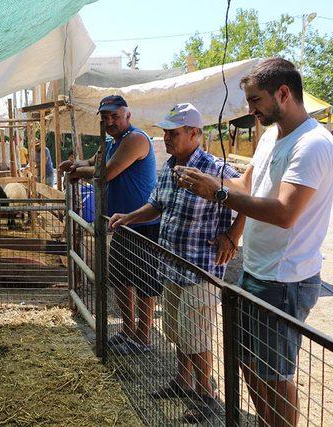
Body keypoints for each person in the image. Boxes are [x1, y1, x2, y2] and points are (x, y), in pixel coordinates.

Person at [175, 58, 333, 427]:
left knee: (276, 374)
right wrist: (205, 180)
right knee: (249, 361)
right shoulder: (269, 139)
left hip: (285, 279)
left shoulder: (312, 144)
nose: (251, 110)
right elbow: (245, 186)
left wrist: (217, 195)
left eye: (256, 100)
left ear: (284, 93)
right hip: (255, 270)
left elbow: (284, 213)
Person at [109, 102, 243, 423]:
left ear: (194, 133)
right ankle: (183, 381)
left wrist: (232, 237)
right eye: (166, 133)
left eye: (174, 133)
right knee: (176, 330)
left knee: (195, 335)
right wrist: (128, 217)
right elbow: (156, 205)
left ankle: (207, 395)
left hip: (201, 269)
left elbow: (247, 199)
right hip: (171, 265)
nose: (167, 138)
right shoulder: (170, 167)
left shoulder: (216, 169)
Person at [59, 95, 160, 355]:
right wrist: (75, 165)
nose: (109, 121)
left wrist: (76, 174)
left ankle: (143, 337)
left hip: (142, 222)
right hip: (121, 222)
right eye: (105, 117)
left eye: (115, 116)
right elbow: (91, 163)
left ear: (128, 115)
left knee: (144, 281)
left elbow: (106, 173)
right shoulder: (109, 142)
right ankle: (128, 331)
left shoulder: (135, 139)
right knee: (121, 279)